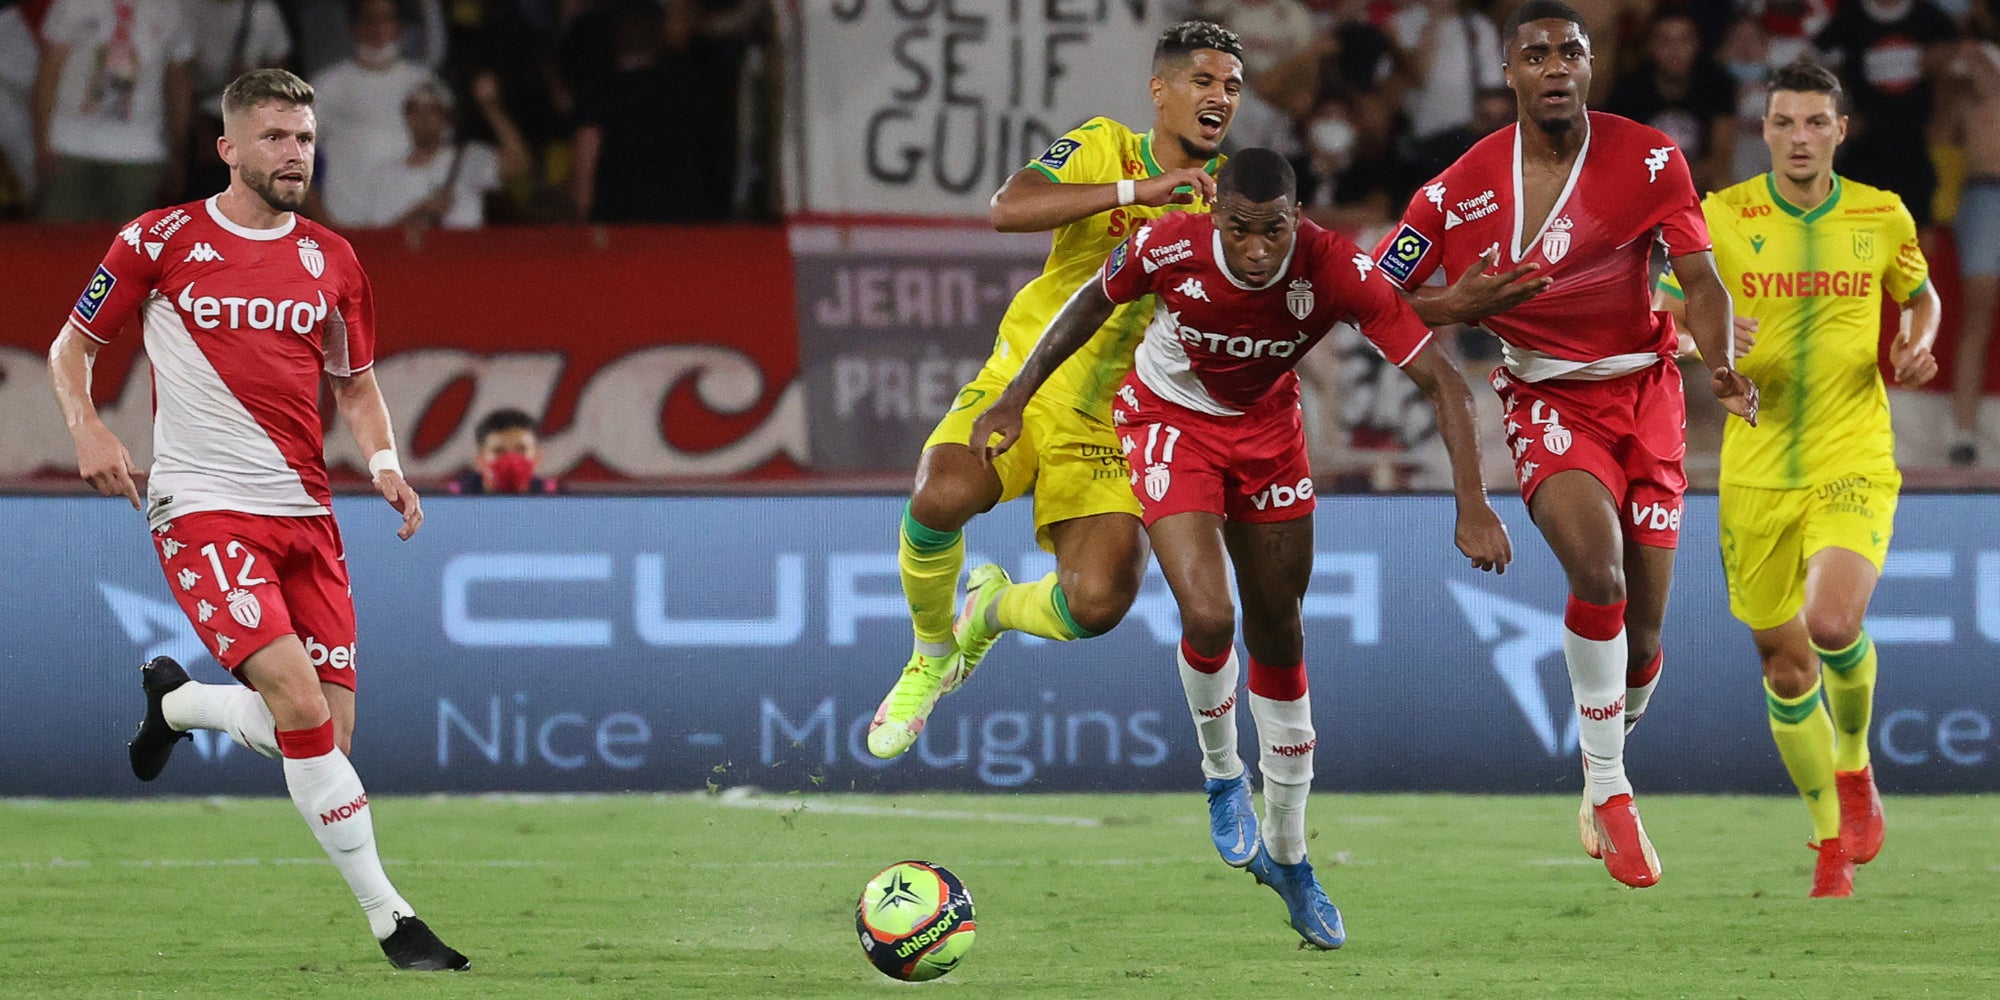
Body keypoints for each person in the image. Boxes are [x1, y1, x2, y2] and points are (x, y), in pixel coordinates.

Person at [965, 148, 1517, 949]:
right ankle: (1224, 773)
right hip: (1169, 421)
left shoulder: (1332, 266)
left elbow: (1442, 378)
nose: (1258, 250)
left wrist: (1473, 504)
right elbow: (1089, 302)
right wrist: (1016, 397)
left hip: (1268, 438)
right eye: (1241, 229)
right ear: (1215, 213)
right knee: (1209, 612)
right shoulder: (1170, 245)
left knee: (1280, 629)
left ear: (1298, 218)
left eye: (1274, 231)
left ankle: (1290, 856)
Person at [45, 68, 468, 971]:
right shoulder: (157, 239)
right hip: (201, 505)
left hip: (305, 511)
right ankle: (394, 921)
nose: (295, 153)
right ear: (228, 147)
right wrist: (88, 429)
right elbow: (72, 344)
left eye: (306, 138)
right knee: (301, 705)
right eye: (275, 137)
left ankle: (181, 702)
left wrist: (387, 465)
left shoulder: (332, 259)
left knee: (325, 738)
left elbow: (353, 380)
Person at [1371, 0, 1758, 888]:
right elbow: (1374, 296)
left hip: (1650, 395)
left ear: (1590, 68)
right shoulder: (1455, 189)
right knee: (1601, 576)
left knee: (1647, 640)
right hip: (1547, 398)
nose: (1554, 66)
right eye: (1535, 53)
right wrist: (1455, 306)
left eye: (1570, 52)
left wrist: (1721, 369)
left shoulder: (1650, 157)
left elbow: (1698, 277)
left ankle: (1597, 764)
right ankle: (1614, 787)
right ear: (1508, 74)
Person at [863, 21, 1244, 763]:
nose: (1219, 97)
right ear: (1159, 91)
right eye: (1203, 81)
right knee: (941, 495)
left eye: (1231, 86)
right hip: (1027, 382)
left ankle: (988, 610)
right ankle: (930, 654)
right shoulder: (1104, 143)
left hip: (1117, 420)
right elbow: (1010, 207)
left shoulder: (1232, 198)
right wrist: (1142, 190)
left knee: (1096, 604)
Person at [1653, 60, 1940, 897]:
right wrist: (1707, 339)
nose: (1801, 137)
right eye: (1784, 123)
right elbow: (1662, 320)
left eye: (1816, 122)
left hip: (1853, 453)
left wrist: (1916, 339)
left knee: (1831, 621)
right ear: (1764, 130)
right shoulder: (1722, 217)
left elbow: (1918, 297)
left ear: (1840, 130)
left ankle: (1855, 769)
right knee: (1784, 668)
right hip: (1754, 469)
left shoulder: (1880, 214)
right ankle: (1826, 839)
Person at [30, 0, 193, 221]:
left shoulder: (171, 8)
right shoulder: (73, 4)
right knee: (58, 244)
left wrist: (179, 151)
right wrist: (42, 142)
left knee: (129, 249)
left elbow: (178, 81)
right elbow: (49, 71)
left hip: (140, 151)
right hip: (69, 144)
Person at [1944, 37, 2000, 467]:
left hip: (1984, 196)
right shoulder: (1960, 103)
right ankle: (1962, 430)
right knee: (1977, 316)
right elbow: (1936, 137)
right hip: (1980, 198)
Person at [448, 407, 561, 494]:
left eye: (521, 450)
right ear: (480, 460)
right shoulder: (452, 498)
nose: (511, 458)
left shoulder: (557, 499)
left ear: (537, 458)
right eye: (499, 451)